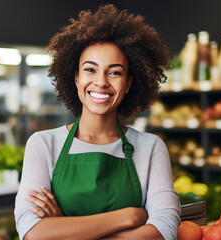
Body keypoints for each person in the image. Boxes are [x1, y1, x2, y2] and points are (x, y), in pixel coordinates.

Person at [15, 4, 180, 240]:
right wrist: (128, 218)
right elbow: (32, 233)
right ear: (76, 77)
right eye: (90, 70)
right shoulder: (43, 144)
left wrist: (63, 227)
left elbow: (165, 230)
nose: (101, 82)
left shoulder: (151, 148)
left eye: (114, 72)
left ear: (129, 83)